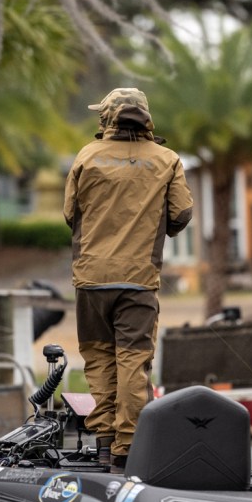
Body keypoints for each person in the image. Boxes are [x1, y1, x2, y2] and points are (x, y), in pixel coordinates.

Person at [64, 87, 193, 474]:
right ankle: (127, 452)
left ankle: (105, 445)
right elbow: (181, 215)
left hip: (90, 279)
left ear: (107, 118)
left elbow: (70, 213)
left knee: (99, 360)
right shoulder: (167, 160)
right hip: (138, 282)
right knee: (133, 364)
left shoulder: (86, 156)